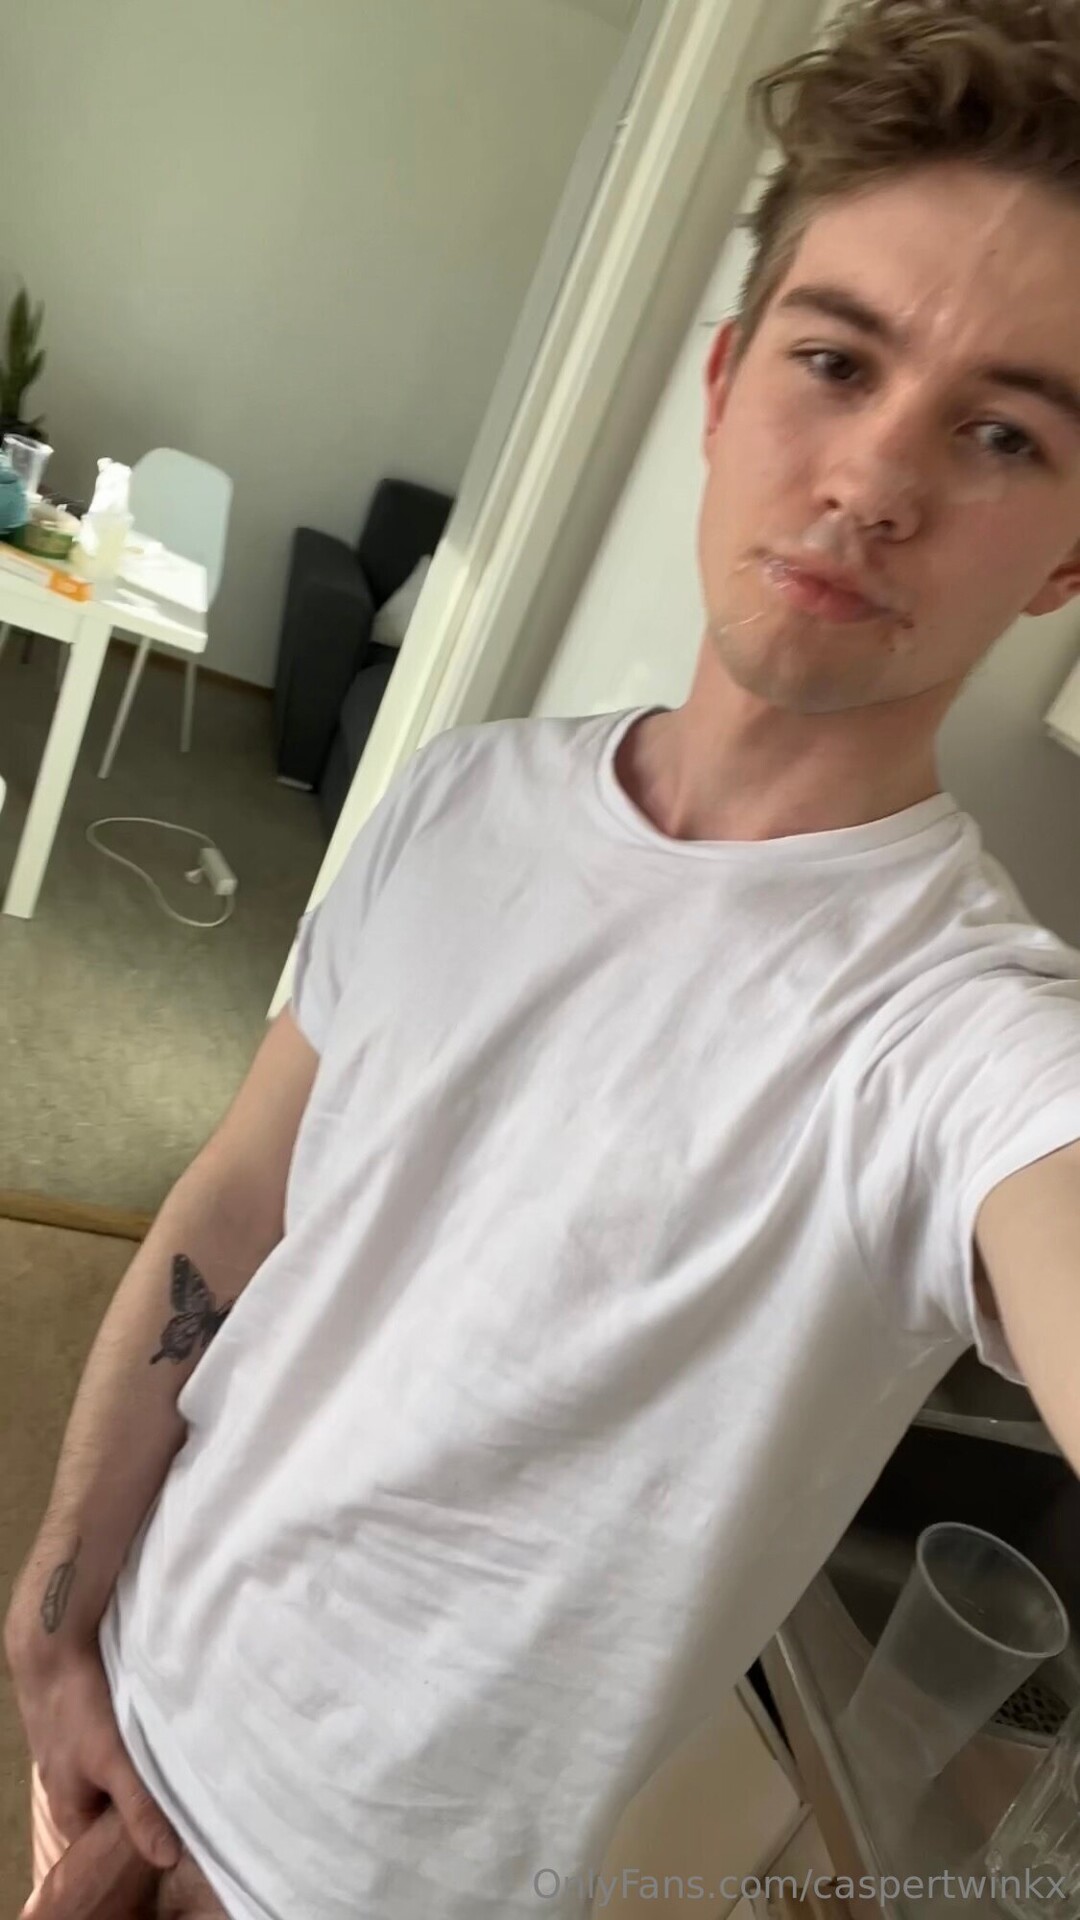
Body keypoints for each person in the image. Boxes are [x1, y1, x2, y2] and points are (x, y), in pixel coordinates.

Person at [9, 1, 1080, 1914]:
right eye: (838, 360)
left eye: (1003, 432)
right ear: (726, 386)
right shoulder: (459, 795)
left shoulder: (963, 1034)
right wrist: (58, 1614)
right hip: (119, 1722)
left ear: (1071, 560)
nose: (875, 479)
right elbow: (238, 1202)